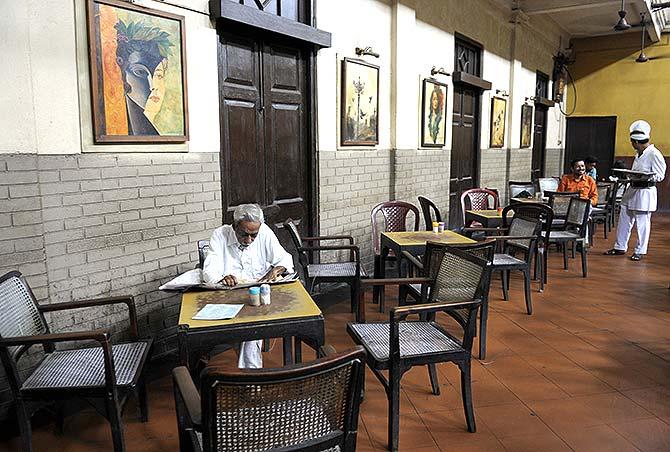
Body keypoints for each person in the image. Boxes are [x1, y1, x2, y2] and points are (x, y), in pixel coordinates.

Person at [202, 204, 294, 367]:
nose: (249, 240)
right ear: (234, 226)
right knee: (249, 332)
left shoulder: (264, 232)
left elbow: (285, 259)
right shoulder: (220, 235)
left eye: (254, 235)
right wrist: (223, 277)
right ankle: (251, 379)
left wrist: (276, 270)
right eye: (244, 234)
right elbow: (209, 272)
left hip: (258, 296)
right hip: (229, 297)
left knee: (250, 330)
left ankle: (250, 378)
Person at [605, 120, 667, 261]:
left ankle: (640, 250)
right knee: (624, 220)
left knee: (642, 223)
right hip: (632, 190)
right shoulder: (639, 154)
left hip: (644, 192)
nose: (632, 145)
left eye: (633, 142)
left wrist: (644, 176)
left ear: (636, 142)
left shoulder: (654, 154)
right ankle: (620, 247)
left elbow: (660, 176)